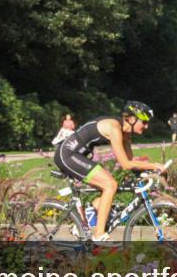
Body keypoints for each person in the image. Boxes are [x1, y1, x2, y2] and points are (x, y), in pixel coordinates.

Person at [54, 100, 165, 241]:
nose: (146, 126)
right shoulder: (114, 129)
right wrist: (155, 166)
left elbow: (130, 161)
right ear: (132, 119)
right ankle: (99, 234)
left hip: (77, 155)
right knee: (110, 185)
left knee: (110, 186)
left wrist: (146, 171)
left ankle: (89, 215)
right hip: (67, 155)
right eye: (144, 122)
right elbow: (126, 164)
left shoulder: (126, 135)